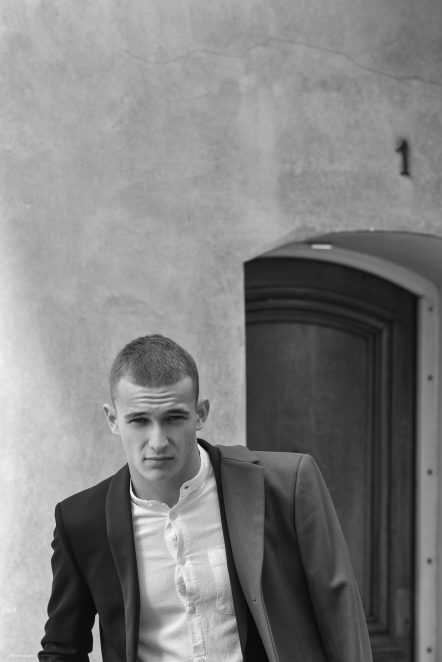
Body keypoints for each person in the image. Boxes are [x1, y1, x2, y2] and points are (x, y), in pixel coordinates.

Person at [39, 333, 373, 662]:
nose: (158, 441)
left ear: (200, 413)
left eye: (173, 418)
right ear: (113, 420)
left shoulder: (287, 484)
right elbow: (62, 649)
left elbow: (340, 615)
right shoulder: (81, 521)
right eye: (139, 420)